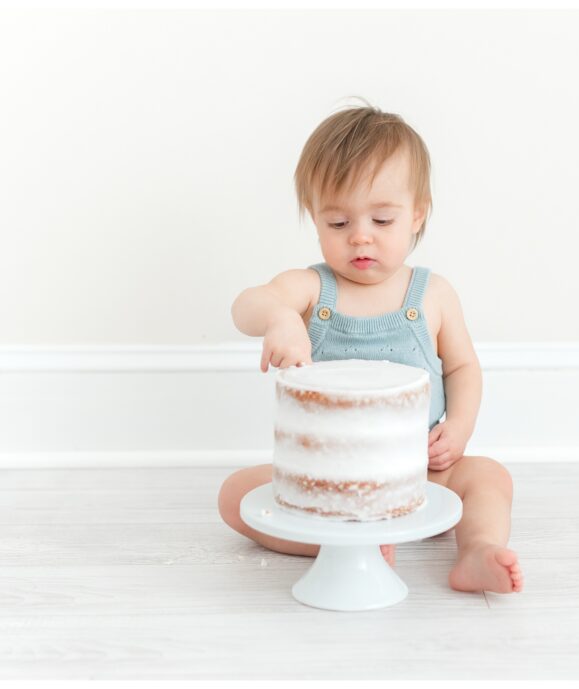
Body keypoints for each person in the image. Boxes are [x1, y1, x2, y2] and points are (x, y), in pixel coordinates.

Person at [217, 100, 523, 594]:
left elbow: (463, 367)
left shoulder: (433, 295)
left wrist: (460, 427)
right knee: (235, 495)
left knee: (489, 478)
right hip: (325, 485)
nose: (361, 237)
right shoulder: (311, 290)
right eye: (338, 223)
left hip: (420, 475)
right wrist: (277, 317)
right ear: (315, 221)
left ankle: (478, 551)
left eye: (382, 220)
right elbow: (245, 306)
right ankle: (342, 542)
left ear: (417, 215)